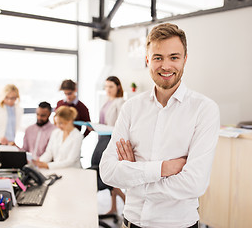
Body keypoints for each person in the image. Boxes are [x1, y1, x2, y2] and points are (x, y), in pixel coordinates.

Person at [100, 23, 220, 228]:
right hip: (130, 223)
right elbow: (108, 171)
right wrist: (163, 168)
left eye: (174, 57)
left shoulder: (204, 109)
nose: (166, 66)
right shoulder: (131, 108)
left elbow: (194, 183)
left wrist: (135, 176)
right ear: (147, 60)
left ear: (185, 60)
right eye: (158, 57)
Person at [90, 76, 126, 215]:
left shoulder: (120, 102)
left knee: (107, 172)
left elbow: (120, 125)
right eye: (106, 86)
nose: (108, 89)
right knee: (106, 172)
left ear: (118, 87)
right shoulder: (106, 102)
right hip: (102, 137)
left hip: (111, 139)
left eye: (111, 86)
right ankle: (114, 208)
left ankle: (125, 200)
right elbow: (103, 121)